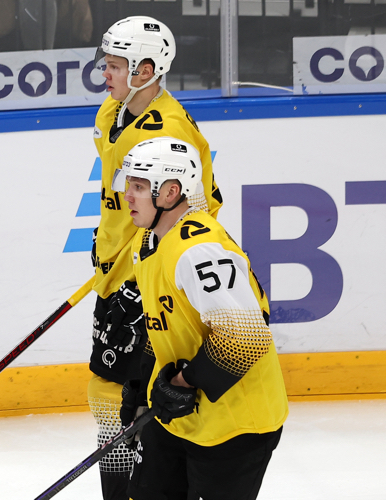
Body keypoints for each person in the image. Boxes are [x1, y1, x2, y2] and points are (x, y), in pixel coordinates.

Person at [86, 15, 223, 500]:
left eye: (116, 65)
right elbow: (115, 198)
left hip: (145, 280)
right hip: (115, 273)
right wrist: (107, 257)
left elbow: (201, 208)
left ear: (146, 70)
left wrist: (142, 276)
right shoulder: (113, 110)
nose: (105, 72)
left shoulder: (170, 131)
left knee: (133, 396)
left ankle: (137, 489)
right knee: (109, 390)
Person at [114, 137, 288, 500]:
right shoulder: (148, 242)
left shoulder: (198, 251)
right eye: (128, 184)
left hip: (235, 425)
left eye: (139, 186)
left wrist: (181, 381)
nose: (126, 195)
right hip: (180, 416)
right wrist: (143, 383)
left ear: (170, 192)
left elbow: (245, 338)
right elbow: (162, 320)